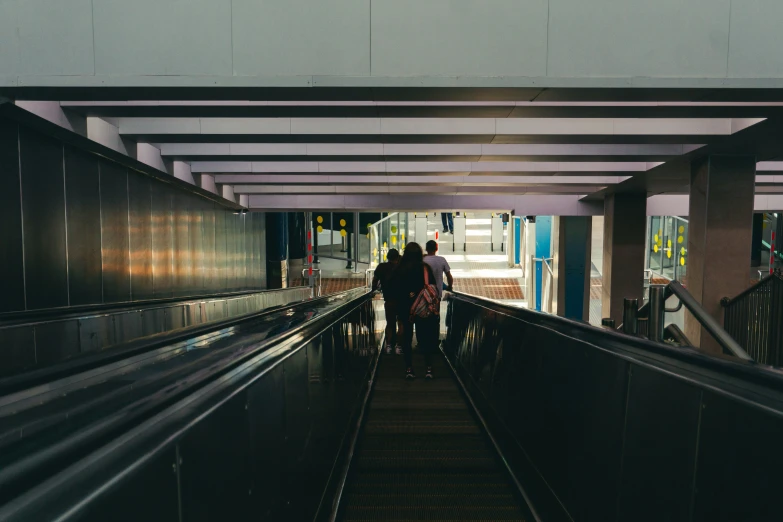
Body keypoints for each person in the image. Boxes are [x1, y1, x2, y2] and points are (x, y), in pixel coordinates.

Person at [390, 242, 439, 380]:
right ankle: (428, 368)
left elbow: (393, 288)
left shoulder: (399, 269)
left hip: (405, 308)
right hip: (423, 307)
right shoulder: (425, 268)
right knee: (425, 338)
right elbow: (433, 286)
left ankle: (409, 368)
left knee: (407, 338)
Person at [372, 248, 403, 355]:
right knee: (401, 323)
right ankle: (399, 346)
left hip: (389, 300)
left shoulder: (381, 267)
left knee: (390, 323)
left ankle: (389, 346)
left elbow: (375, 279)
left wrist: (373, 289)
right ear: (397, 257)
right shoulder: (402, 267)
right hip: (402, 300)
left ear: (388, 257)